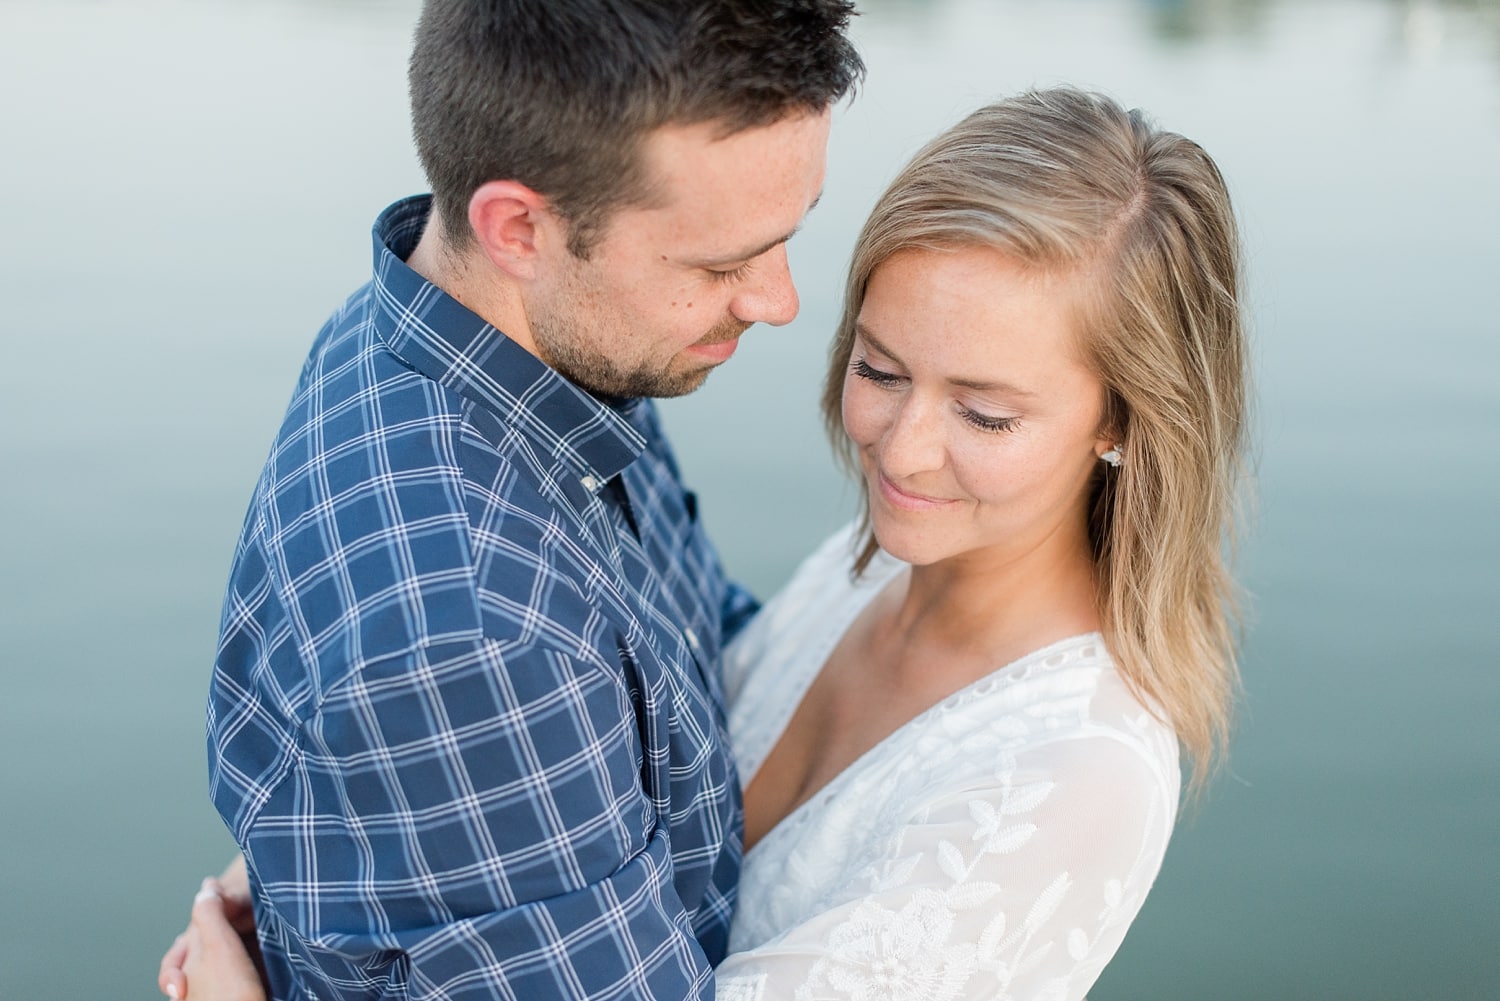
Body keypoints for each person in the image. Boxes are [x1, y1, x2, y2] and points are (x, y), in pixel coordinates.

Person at [167, 87, 1248, 1001]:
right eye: (878, 369)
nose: (903, 451)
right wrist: (371, 812)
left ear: (1122, 420)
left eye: (987, 415)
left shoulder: (1072, 782)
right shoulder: (888, 561)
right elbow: (684, 695)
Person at [157, 2, 863, 999]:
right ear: (519, 227)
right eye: (720, 263)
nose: (777, 299)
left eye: (788, 234)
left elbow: (697, 653)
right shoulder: (477, 642)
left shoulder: (504, 347)